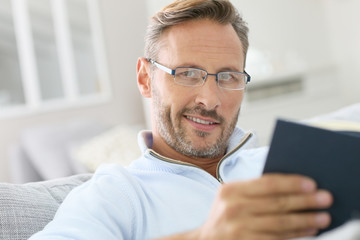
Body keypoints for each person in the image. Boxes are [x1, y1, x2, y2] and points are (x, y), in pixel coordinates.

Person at [30, 0, 333, 239]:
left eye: (228, 76)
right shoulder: (116, 194)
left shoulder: (279, 164)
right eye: (187, 73)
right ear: (145, 79)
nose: (210, 99)